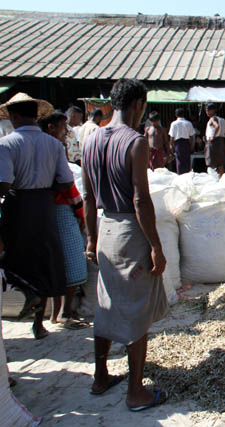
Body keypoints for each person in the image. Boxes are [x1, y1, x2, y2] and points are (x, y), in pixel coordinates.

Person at [82, 78, 169, 411]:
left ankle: (101, 376)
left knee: (105, 304)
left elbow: (89, 197)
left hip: (105, 229)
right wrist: (156, 246)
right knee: (135, 311)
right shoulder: (135, 142)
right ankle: (136, 391)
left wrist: (91, 237)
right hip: (131, 233)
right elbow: (140, 200)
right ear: (138, 104)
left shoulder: (90, 140)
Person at [0, 93, 74, 340]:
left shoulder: (7, 144)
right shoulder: (53, 144)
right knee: (44, 261)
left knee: (15, 259)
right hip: (45, 205)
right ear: (37, 116)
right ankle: (39, 325)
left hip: (18, 204)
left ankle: (28, 295)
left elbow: (4, 183)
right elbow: (65, 181)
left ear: (14, 116)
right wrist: (46, 191)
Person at [38, 111, 89, 329]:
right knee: (73, 262)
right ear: (51, 127)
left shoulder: (30, 145)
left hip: (41, 209)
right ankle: (66, 313)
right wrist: (80, 211)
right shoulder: (53, 147)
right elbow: (67, 184)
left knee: (53, 264)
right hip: (61, 209)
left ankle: (52, 315)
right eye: (62, 127)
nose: (66, 131)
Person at [204, 103, 225, 178]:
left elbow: (216, 126)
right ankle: (220, 178)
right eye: (206, 110)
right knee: (220, 163)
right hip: (220, 142)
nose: (207, 112)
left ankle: (212, 179)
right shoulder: (223, 120)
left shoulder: (212, 119)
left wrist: (213, 137)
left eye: (208, 110)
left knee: (211, 162)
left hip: (213, 142)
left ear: (213, 110)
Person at [168, 108, 195, 174]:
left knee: (179, 161)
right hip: (186, 143)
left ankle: (180, 175)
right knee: (186, 161)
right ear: (184, 114)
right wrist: (191, 145)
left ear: (176, 115)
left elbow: (172, 137)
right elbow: (191, 137)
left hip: (178, 144)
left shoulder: (173, 124)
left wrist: (171, 145)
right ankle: (187, 176)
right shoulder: (188, 123)